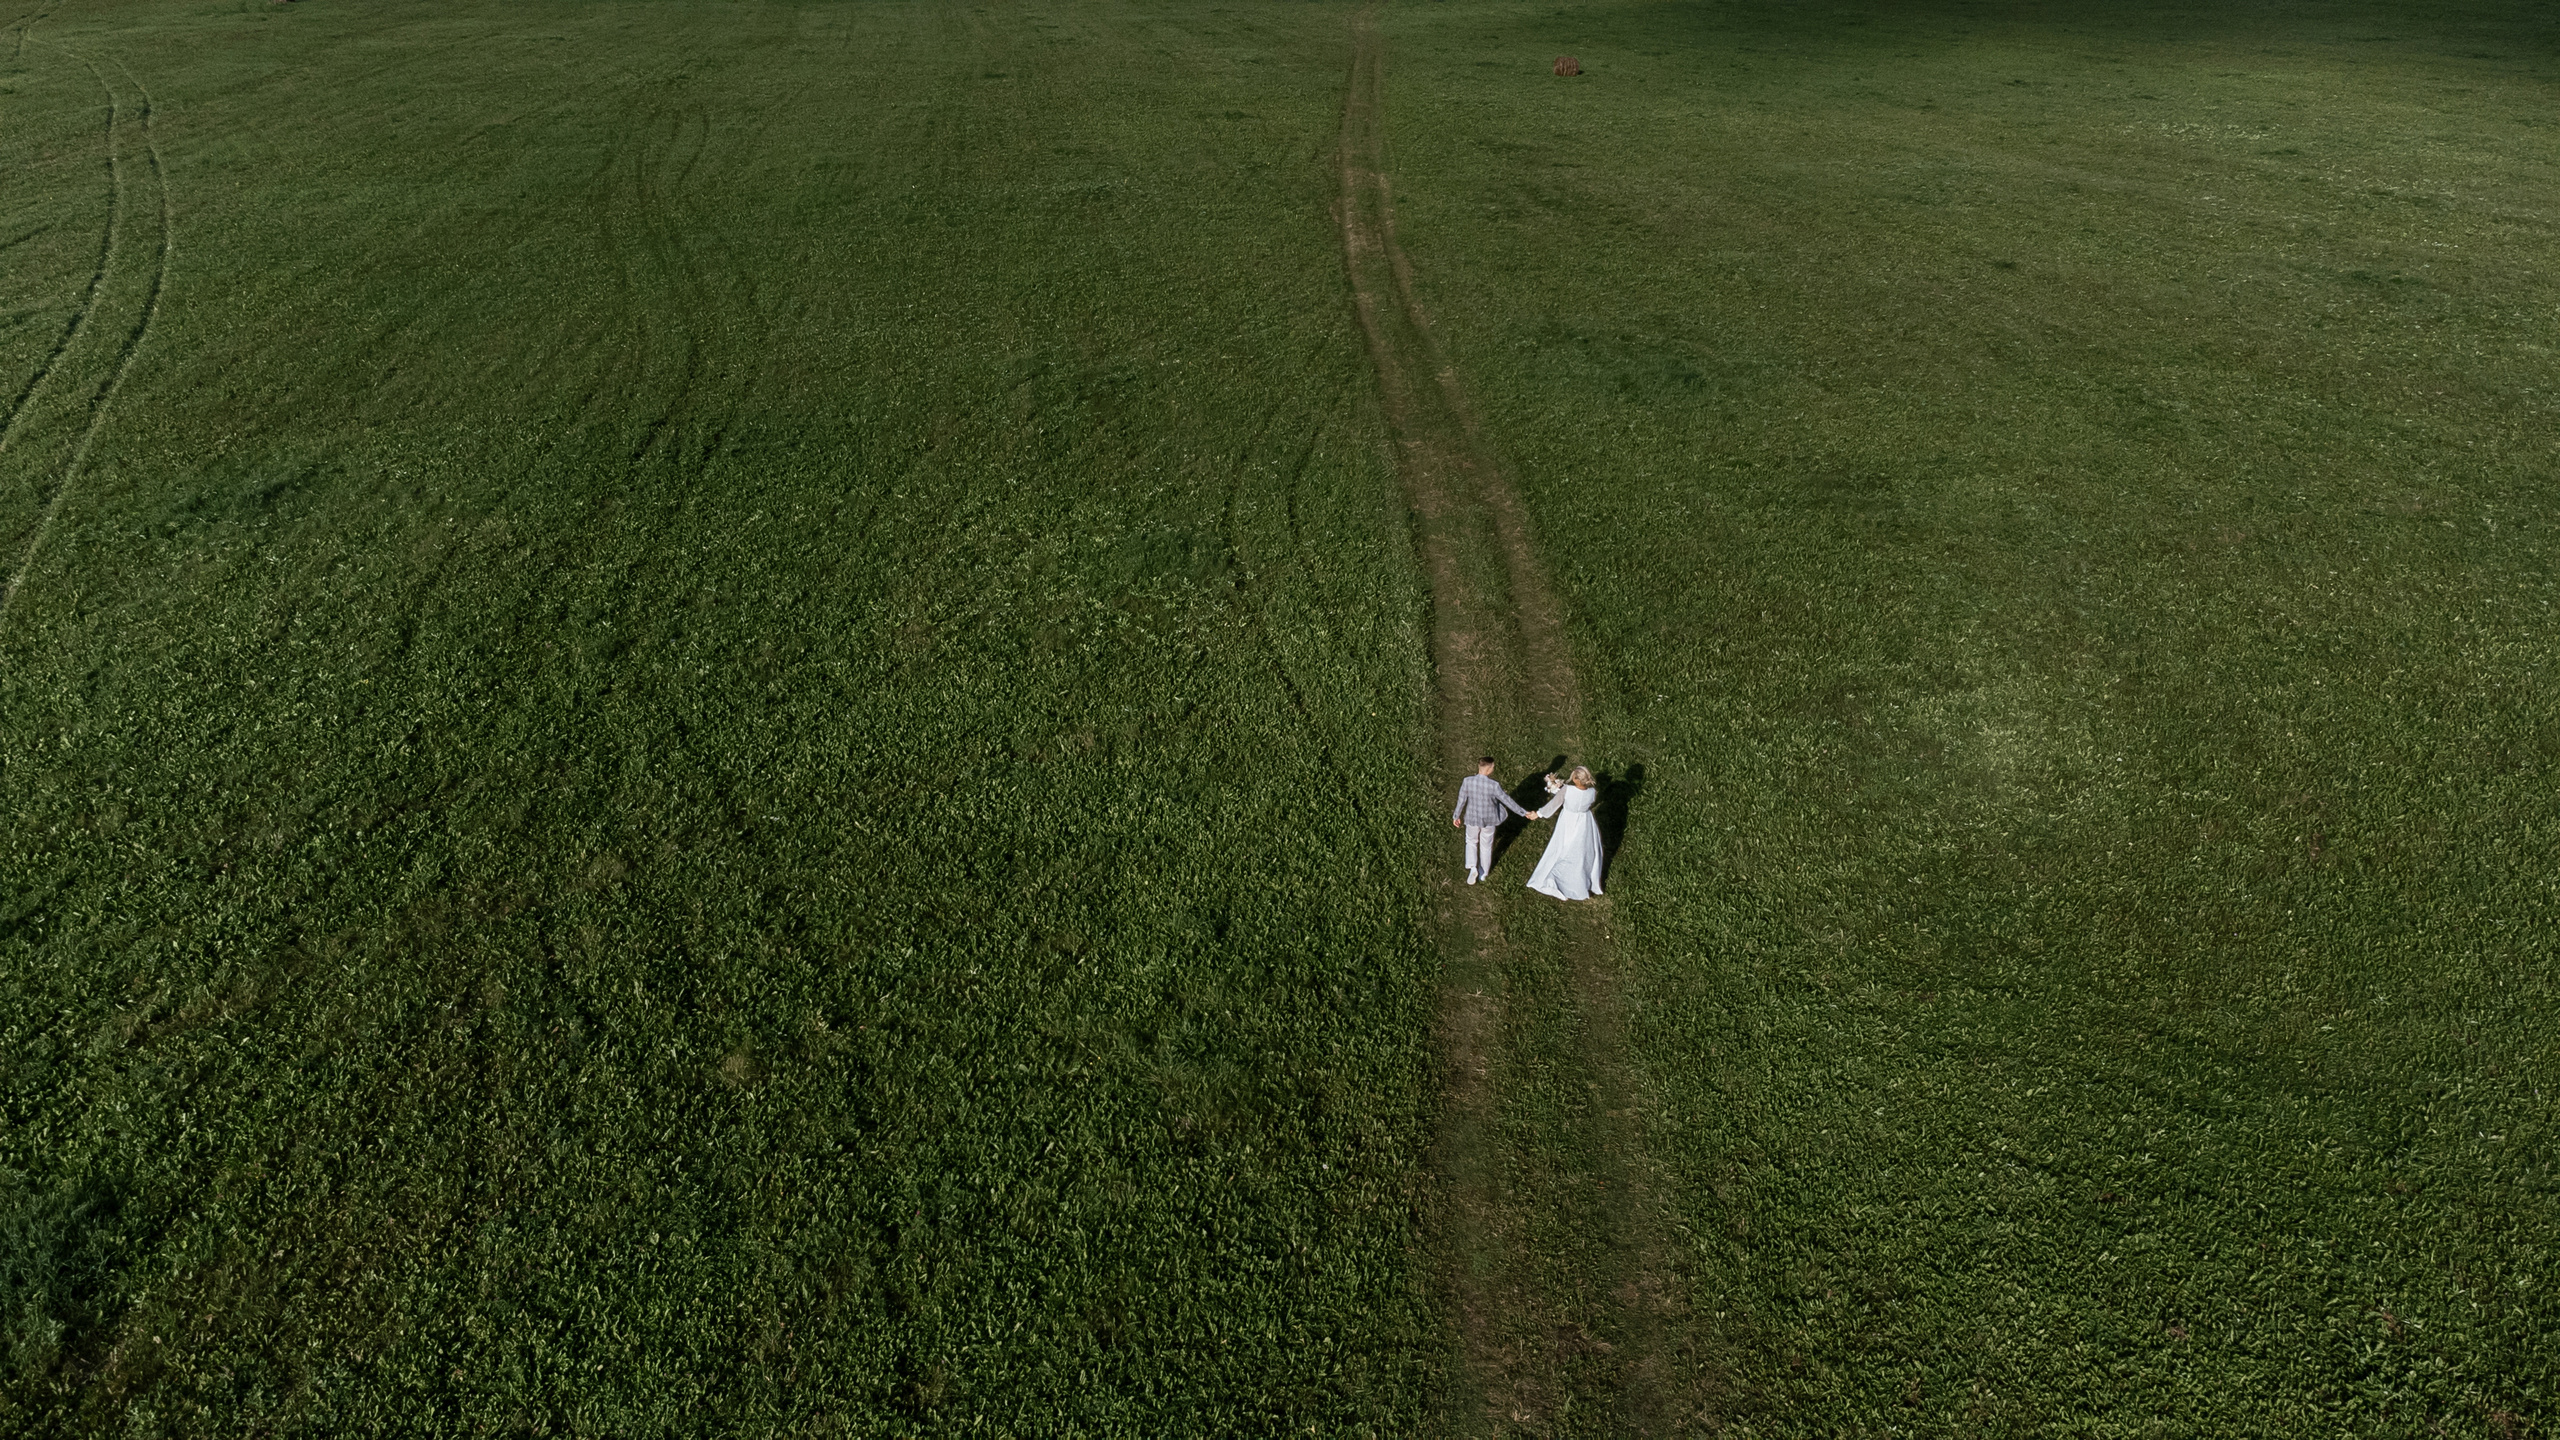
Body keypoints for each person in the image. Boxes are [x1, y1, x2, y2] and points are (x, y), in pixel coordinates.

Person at [1451, 755, 1533, 886]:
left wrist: (1456, 816)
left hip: (1472, 818)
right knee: (1486, 846)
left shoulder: (1467, 781)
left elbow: (1461, 800)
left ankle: (1472, 867)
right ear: (1488, 769)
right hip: (1490, 820)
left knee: (1471, 841)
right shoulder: (1494, 785)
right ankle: (1483, 873)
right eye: (1493, 767)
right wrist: (1523, 812)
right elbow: (1507, 801)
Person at [1525, 765, 1603, 901]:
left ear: (1575, 778)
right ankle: (1580, 880)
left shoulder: (1567, 790)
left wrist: (1537, 814)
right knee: (1580, 851)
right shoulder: (1592, 792)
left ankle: (1556, 878)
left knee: (1562, 846)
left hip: (1568, 820)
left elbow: (1554, 804)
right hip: (1585, 821)